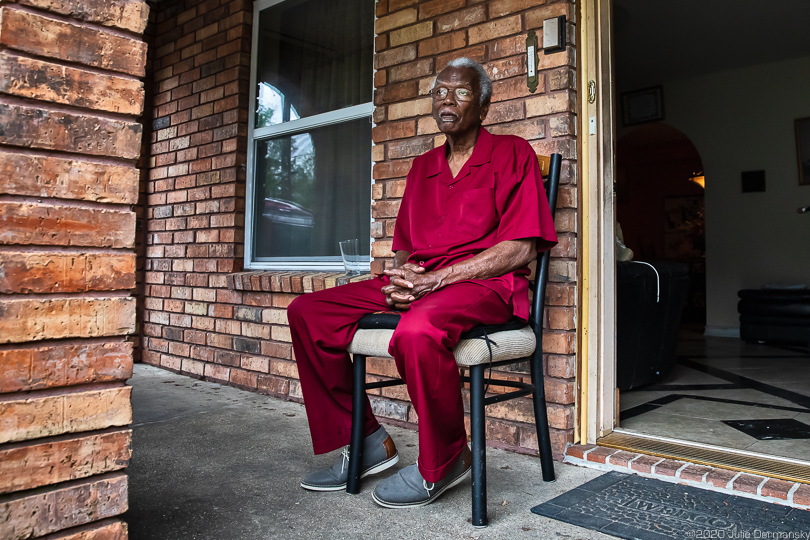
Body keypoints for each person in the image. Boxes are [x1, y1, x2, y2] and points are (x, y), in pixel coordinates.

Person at [287, 57, 557, 508]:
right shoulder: (422, 167)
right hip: (427, 284)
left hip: (485, 286)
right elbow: (405, 248)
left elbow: (520, 248)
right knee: (308, 313)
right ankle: (368, 440)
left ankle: (447, 459)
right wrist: (400, 279)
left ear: (484, 107)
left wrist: (433, 282)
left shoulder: (512, 153)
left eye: (462, 92)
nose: (446, 100)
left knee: (416, 330)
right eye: (439, 92)